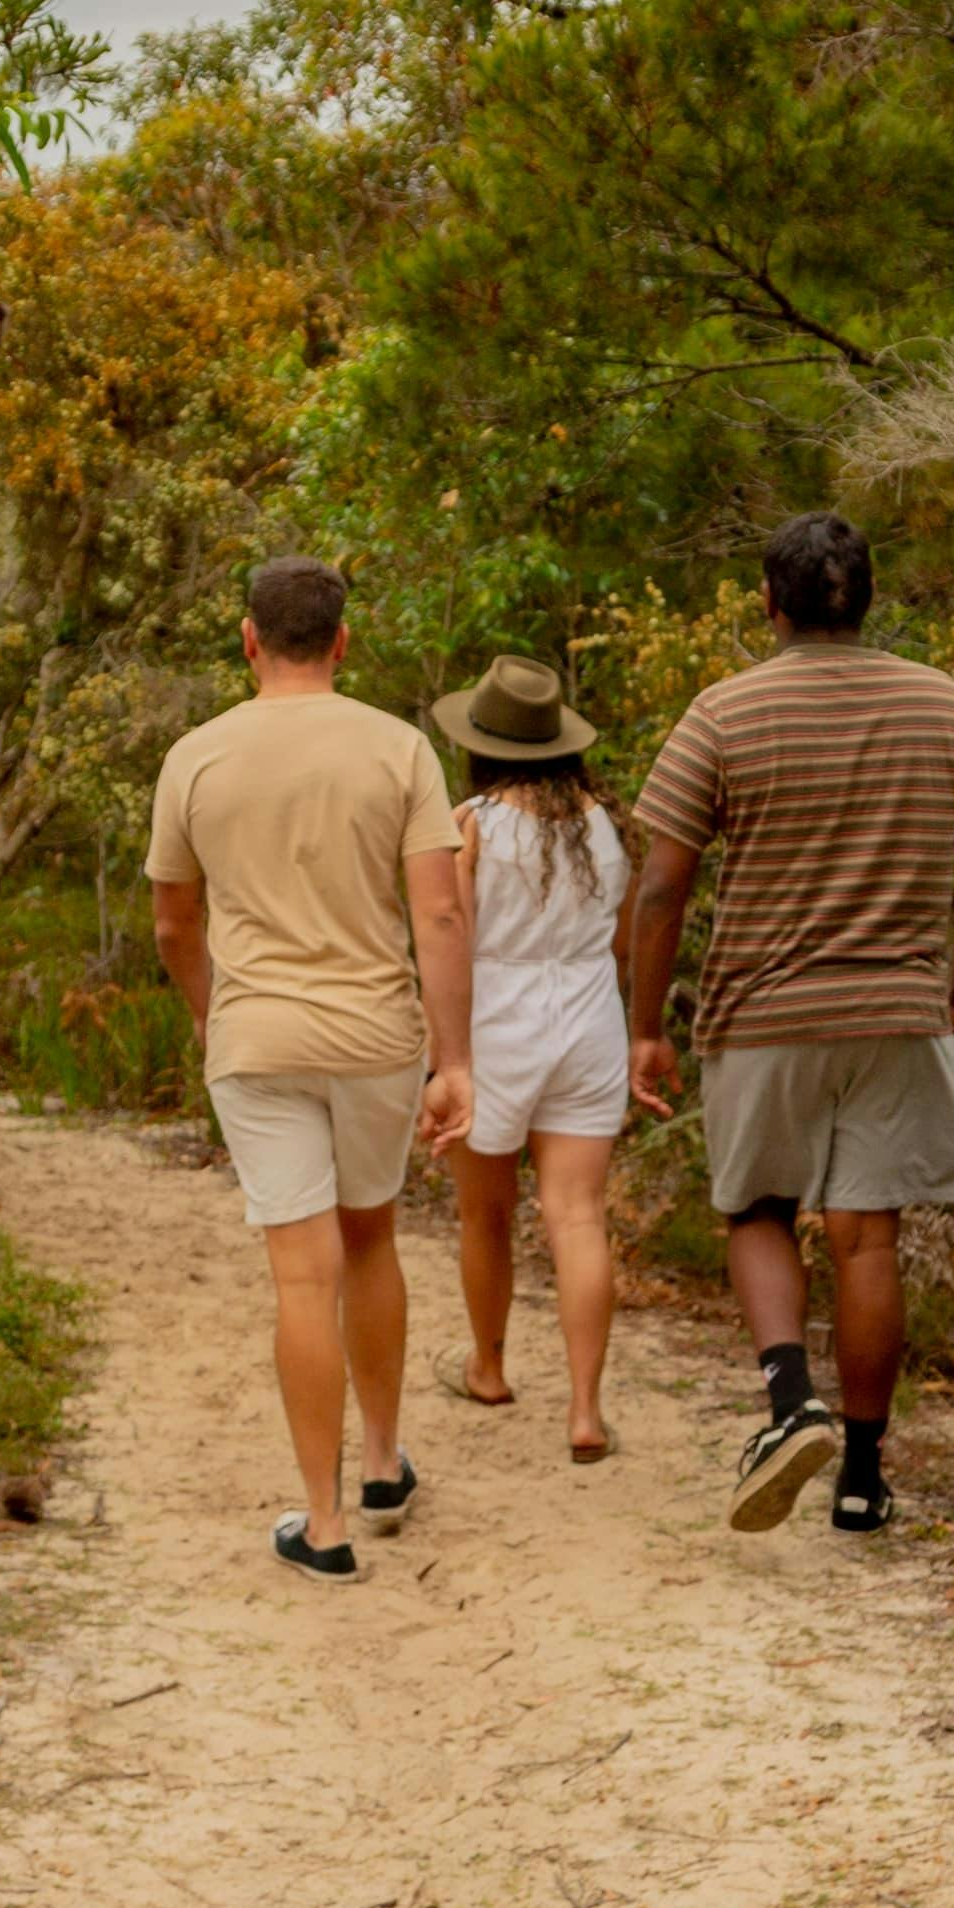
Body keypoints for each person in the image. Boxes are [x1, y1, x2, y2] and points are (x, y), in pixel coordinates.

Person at [618, 512, 954, 1536]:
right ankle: (865, 1479)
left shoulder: (722, 715)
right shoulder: (947, 707)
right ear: (869, 597)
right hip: (899, 1009)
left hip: (764, 1011)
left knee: (756, 1208)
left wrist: (646, 1025)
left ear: (769, 600)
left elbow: (662, 887)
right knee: (866, 1235)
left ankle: (791, 1404)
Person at [146, 558, 472, 1580]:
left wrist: (212, 1015)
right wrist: (453, 1060)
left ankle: (323, 1524)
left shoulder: (194, 758)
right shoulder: (398, 749)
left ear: (249, 640)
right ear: (342, 642)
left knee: (301, 1272)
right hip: (376, 1034)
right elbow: (442, 910)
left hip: (258, 1038)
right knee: (371, 1241)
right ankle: (382, 1466)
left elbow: (172, 919)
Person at [425, 654, 631, 1467]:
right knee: (577, 1215)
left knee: (486, 1213)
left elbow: (454, 937)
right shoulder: (604, 825)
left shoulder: (471, 824)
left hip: (496, 1023)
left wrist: (444, 1057)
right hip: (588, 1020)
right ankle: (585, 1411)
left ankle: (489, 1367)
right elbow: (619, 941)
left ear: (482, 744)